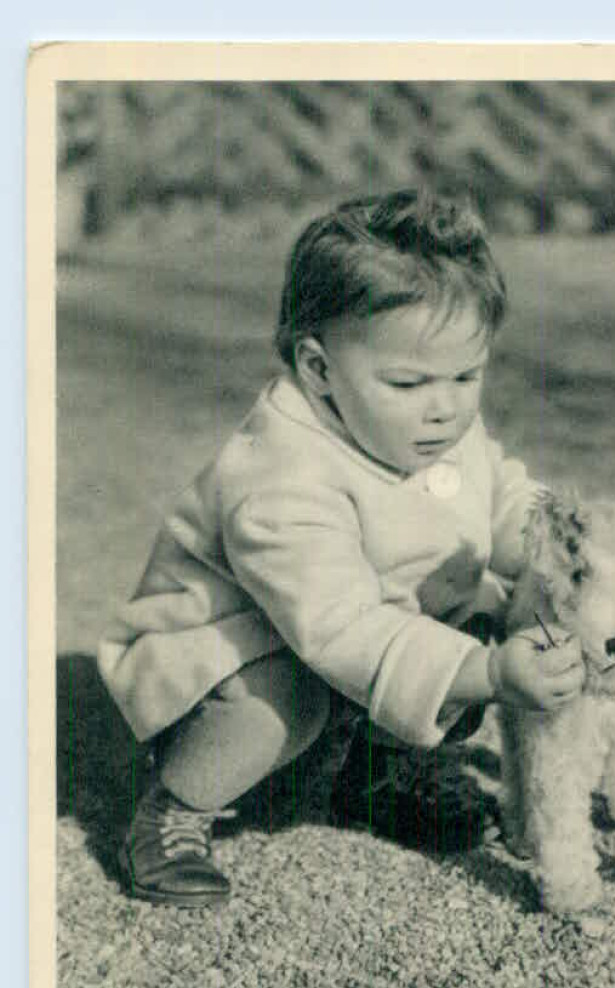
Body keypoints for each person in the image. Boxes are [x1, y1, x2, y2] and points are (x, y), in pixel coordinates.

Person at [98, 188, 585, 907]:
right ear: (319, 370)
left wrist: (562, 542)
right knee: (282, 702)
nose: (445, 405)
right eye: (409, 382)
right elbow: (337, 626)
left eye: (465, 375)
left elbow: (500, 493)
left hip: (353, 632)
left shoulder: (428, 429)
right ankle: (174, 811)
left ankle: (375, 775)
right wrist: (486, 671)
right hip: (225, 653)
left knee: (477, 604)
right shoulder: (279, 477)